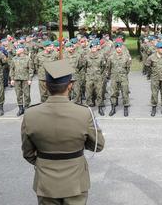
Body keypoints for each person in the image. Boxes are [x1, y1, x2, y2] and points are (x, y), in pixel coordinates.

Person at [21, 59, 105, 205]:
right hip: (75, 180)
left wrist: (45, 163)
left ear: (46, 85)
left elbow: (28, 153)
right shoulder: (84, 113)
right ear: (70, 85)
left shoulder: (30, 114)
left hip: (46, 180)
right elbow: (98, 146)